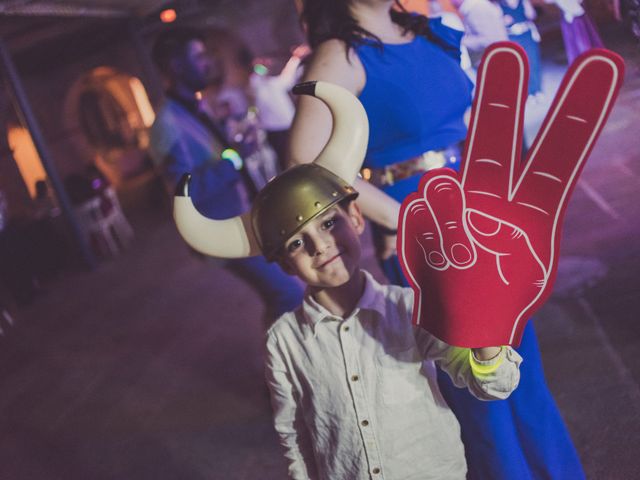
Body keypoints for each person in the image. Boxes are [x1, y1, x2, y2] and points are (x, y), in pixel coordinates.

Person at [287, 1, 585, 478]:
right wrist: (402, 220)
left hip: (474, 208)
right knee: (480, 394)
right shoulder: (338, 55)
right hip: (423, 232)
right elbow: (306, 163)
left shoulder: (425, 32)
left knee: (523, 375)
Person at [172, 81, 522, 479]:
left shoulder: (407, 307)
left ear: (356, 219)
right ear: (284, 265)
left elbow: (493, 385)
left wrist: (485, 334)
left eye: (330, 223)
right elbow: (295, 434)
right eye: (297, 243)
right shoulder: (283, 342)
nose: (321, 246)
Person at [148, 27, 303, 321]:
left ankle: (282, 361)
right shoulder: (167, 124)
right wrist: (234, 162)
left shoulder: (194, 105)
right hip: (220, 231)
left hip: (240, 218)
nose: (208, 61)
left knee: (283, 292)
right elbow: (185, 193)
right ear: (175, 66)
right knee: (287, 293)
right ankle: (281, 364)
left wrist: (237, 146)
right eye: (199, 56)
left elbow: (215, 154)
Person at [498, 0, 543, 97]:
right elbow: (496, 24)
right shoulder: (500, 5)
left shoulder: (523, 1)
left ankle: (537, 90)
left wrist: (529, 10)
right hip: (512, 37)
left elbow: (532, 16)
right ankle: (527, 92)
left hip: (526, 34)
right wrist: (503, 20)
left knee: (533, 61)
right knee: (520, 64)